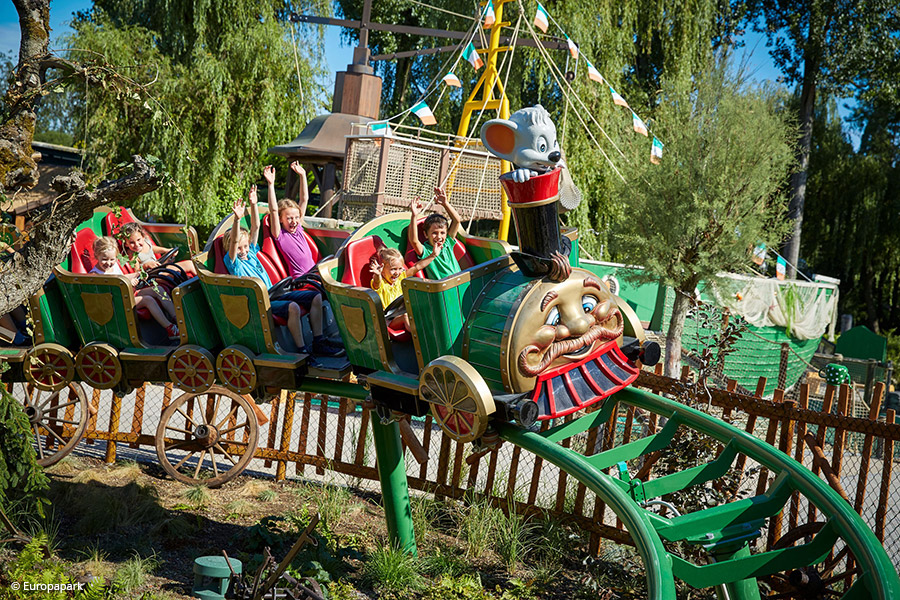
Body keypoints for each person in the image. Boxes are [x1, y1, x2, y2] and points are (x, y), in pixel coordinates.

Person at [225, 185, 342, 357]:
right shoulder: (233, 262)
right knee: (293, 307)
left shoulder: (252, 252)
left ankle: (319, 341)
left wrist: (253, 203)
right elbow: (234, 242)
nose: (243, 250)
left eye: (245, 246)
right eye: (240, 247)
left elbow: (256, 227)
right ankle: (301, 350)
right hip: (262, 301)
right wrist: (236, 220)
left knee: (316, 297)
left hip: (276, 293)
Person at [264, 163, 343, 356]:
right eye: (288, 218)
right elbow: (273, 211)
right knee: (317, 296)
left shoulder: (299, 229)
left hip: (314, 277)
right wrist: (271, 185)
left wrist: (302, 176)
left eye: (295, 217)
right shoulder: (280, 235)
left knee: (337, 288)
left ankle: (332, 336)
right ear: (282, 221)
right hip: (302, 282)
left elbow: (305, 198)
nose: (293, 221)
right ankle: (319, 341)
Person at [90, 236, 179, 340]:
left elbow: (122, 277)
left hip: (127, 293)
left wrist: (138, 274)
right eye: (104, 259)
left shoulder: (113, 266)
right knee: (147, 300)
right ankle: (170, 329)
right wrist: (128, 283)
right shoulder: (96, 275)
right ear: (96, 255)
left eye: (112, 259)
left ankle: (177, 319)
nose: (109, 263)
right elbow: (109, 291)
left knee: (158, 289)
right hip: (116, 301)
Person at [368, 246, 436, 330]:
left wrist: (433, 255)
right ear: (382, 269)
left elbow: (417, 267)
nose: (397, 273)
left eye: (400, 268)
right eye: (393, 269)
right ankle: (419, 338)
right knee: (406, 316)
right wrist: (377, 274)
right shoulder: (381, 284)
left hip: (403, 311)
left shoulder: (401, 278)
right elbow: (376, 282)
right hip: (389, 319)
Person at [408, 187, 463, 280]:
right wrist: (414, 216)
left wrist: (445, 204)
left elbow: (457, 221)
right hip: (443, 289)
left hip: (459, 282)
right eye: (434, 233)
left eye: (442, 233)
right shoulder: (426, 251)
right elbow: (414, 241)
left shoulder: (447, 243)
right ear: (426, 234)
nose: (439, 237)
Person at [120, 221, 197, 276]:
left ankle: (203, 282)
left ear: (143, 237)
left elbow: (152, 248)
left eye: (138, 240)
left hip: (160, 268)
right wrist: (145, 266)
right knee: (177, 274)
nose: (136, 245)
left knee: (189, 264)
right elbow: (136, 272)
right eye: (131, 243)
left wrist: (166, 250)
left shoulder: (146, 242)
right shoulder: (133, 255)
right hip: (153, 276)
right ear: (126, 244)